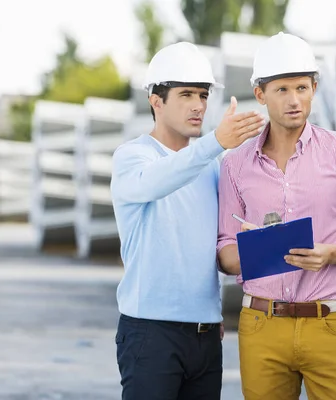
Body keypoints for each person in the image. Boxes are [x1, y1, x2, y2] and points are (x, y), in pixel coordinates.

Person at [216, 32, 336, 400]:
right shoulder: (234, 164)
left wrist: (331, 254)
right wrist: (260, 251)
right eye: (282, 89)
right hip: (261, 326)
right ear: (260, 94)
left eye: (302, 87)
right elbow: (225, 254)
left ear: (314, 87)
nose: (294, 100)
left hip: (331, 322)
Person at [110, 41, 266, 400]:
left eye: (203, 94)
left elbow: (219, 245)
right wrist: (216, 142)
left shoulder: (211, 167)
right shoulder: (133, 158)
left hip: (206, 335)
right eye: (185, 95)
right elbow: (161, 179)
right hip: (151, 335)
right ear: (156, 101)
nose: (198, 105)